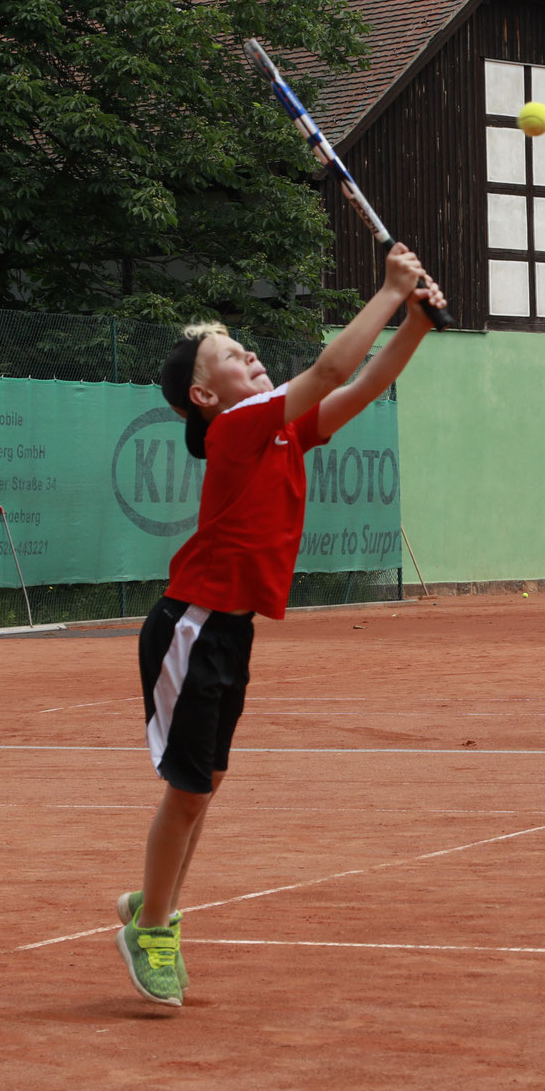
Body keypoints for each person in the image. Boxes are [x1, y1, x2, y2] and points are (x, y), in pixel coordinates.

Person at [114, 245, 446, 1007]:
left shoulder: (284, 432)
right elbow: (330, 371)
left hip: (230, 630)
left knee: (208, 783)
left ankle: (150, 902)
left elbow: (361, 386)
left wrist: (417, 326)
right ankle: (153, 928)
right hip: (191, 625)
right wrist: (391, 290)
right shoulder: (235, 431)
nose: (250, 353)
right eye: (230, 353)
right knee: (189, 789)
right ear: (204, 394)